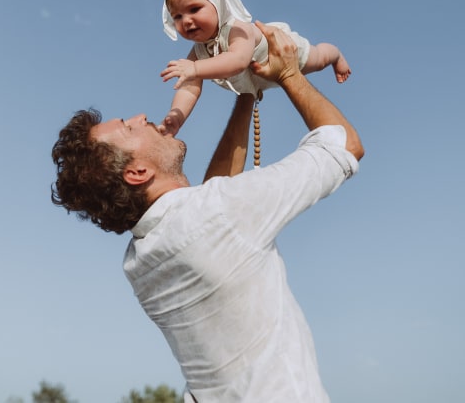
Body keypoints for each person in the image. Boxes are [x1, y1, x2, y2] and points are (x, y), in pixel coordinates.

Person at [51, 23, 364, 403]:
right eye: (128, 128)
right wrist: (287, 74)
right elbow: (344, 146)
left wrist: (247, 94)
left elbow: (212, 200)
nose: (140, 116)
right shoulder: (217, 215)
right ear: (137, 173)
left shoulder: (139, 262)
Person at [160, 0, 351, 136]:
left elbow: (238, 60)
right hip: (260, 78)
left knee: (318, 59)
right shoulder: (199, 52)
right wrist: (176, 117)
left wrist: (194, 69)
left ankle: (335, 54)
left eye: (194, 9)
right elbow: (189, 89)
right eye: (177, 16)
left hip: (285, 53)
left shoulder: (237, 28)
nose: (186, 20)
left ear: (218, 3)